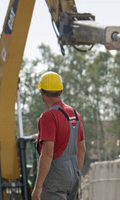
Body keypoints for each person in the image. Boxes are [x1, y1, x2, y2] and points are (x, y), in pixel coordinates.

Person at [31, 71, 86, 200]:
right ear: (61, 91)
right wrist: (75, 172)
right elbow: (82, 149)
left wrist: (38, 187)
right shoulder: (75, 114)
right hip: (74, 175)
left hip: (56, 179)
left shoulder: (48, 117)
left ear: (42, 93)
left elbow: (48, 153)